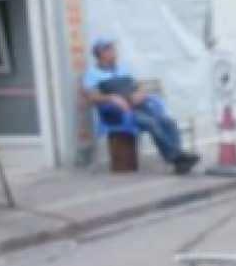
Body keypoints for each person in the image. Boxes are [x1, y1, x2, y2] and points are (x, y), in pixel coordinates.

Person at [83, 39, 199, 174]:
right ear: (100, 53)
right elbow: (91, 97)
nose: (114, 53)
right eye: (110, 50)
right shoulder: (92, 74)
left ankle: (179, 158)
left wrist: (140, 93)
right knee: (151, 123)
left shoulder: (122, 68)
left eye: (113, 49)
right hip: (120, 112)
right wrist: (111, 98)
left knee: (168, 122)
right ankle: (176, 158)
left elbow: (138, 85)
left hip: (139, 105)